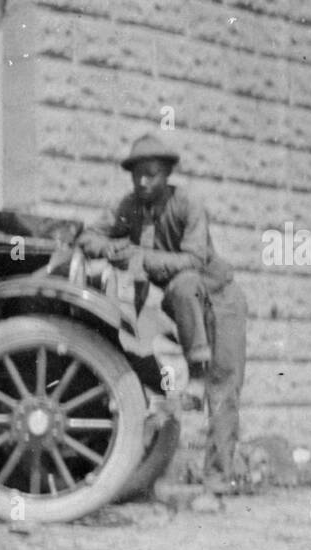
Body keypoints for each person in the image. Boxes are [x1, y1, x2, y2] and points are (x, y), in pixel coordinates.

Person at [77, 134, 248, 492]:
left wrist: (139, 257)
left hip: (218, 299)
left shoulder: (188, 204)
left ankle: (218, 478)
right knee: (175, 294)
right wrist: (112, 249)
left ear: (167, 174)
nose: (142, 182)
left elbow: (194, 259)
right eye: (136, 174)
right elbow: (89, 236)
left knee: (223, 386)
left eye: (151, 174)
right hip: (181, 304)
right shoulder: (129, 206)